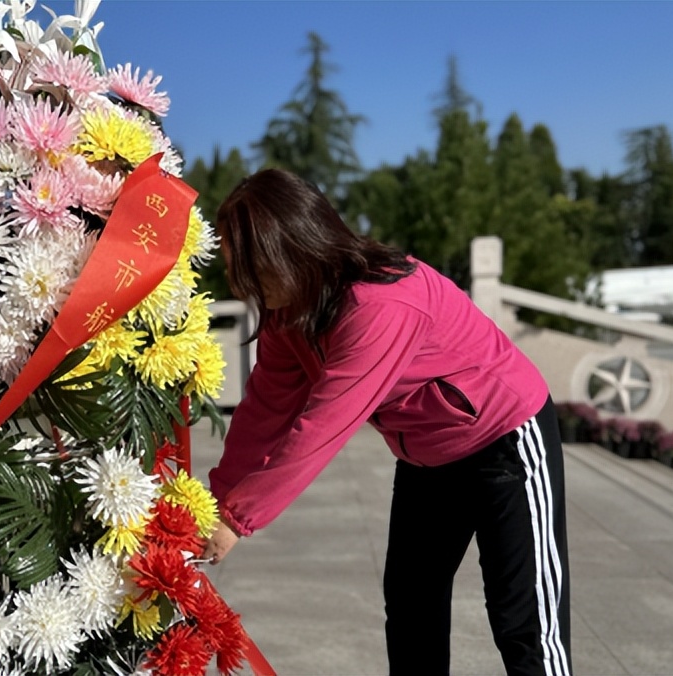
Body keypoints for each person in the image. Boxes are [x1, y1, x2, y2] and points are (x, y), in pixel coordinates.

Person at [200, 169, 571, 676]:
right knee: (412, 612)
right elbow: (264, 411)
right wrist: (214, 502)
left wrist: (238, 519)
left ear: (292, 246)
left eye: (250, 266)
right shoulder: (288, 313)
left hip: (504, 439)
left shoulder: (380, 302)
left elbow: (324, 424)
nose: (242, 282)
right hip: (425, 458)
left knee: (524, 623)